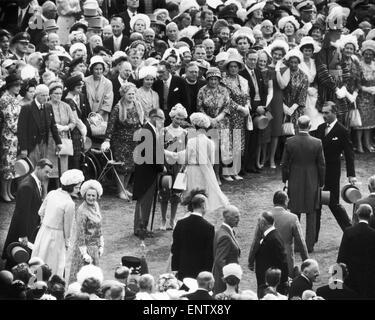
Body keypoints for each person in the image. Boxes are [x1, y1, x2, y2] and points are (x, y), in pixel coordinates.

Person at [281, 115, 325, 252]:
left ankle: (296, 245)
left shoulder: (290, 141)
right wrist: (322, 182)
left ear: (297, 125)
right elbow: (322, 165)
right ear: (310, 126)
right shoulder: (317, 142)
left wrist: (285, 179)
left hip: (295, 180)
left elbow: (284, 164)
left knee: (294, 214)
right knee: (311, 214)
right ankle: (309, 245)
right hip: (312, 180)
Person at [314, 101, 356, 242]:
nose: (324, 115)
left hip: (332, 173)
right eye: (323, 112)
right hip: (318, 174)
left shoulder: (342, 130)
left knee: (334, 204)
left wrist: (351, 175)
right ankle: (312, 239)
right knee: (317, 206)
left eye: (327, 113)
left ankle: (350, 233)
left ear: (334, 112)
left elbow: (349, 154)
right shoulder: (319, 128)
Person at [31, 169, 85, 278]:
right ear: (71, 186)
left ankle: (34, 282)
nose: (79, 190)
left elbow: (41, 212)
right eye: (77, 187)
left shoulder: (52, 193)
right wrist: (66, 243)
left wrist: (46, 223)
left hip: (44, 232)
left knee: (40, 258)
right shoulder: (69, 203)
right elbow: (67, 227)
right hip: (57, 237)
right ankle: (51, 285)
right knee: (54, 263)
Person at [2, 159, 53, 270]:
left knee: (20, 260)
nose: (48, 175)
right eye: (46, 172)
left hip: (30, 227)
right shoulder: (27, 186)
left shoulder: (35, 182)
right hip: (22, 231)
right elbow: (22, 212)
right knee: (16, 259)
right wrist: (23, 234)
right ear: (38, 168)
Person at [249, 190, 308, 278]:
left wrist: (251, 261)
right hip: (286, 259)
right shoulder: (293, 218)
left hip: (267, 259)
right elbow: (301, 243)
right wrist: (307, 262)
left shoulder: (263, 217)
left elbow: (256, 240)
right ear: (285, 202)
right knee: (285, 286)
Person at [101, 82, 144, 200]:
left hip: (134, 140)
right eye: (129, 94)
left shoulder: (138, 105)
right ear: (124, 94)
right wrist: (107, 139)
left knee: (131, 165)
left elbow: (142, 121)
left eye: (133, 93)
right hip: (120, 141)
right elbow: (111, 125)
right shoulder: (118, 107)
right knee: (121, 166)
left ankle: (125, 188)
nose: (131, 96)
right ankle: (120, 191)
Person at [183, 112, 229, 212]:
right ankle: (201, 211)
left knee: (193, 192)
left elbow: (186, 159)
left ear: (194, 126)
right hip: (204, 171)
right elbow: (212, 162)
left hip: (193, 170)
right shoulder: (210, 143)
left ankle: (193, 212)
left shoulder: (191, 141)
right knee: (202, 193)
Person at [132, 108, 165, 238]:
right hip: (147, 172)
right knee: (145, 201)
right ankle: (140, 228)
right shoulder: (148, 131)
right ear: (154, 117)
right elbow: (151, 155)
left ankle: (141, 227)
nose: (163, 121)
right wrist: (161, 167)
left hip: (146, 171)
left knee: (145, 201)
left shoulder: (149, 130)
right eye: (161, 118)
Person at [197, 67, 231, 184]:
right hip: (207, 123)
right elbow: (199, 107)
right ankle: (208, 175)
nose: (213, 82)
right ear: (207, 79)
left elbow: (227, 107)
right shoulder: (202, 90)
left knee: (219, 150)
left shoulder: (224, 90)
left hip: (221, 122)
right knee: (209, 149)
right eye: (211, 79)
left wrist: (217, 118)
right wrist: (209, 119)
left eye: (216, 79)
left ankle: (217, 174)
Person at [67, 180, 104, 284]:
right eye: (88, 195)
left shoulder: (96, 205)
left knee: (94, 278)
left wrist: (101, 244)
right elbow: (80, 233)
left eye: (93, 195)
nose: (91, 198)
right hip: (85, 249)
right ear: (84, 195)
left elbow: (99, 225)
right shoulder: (82, 211)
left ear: (97, 196)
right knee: (84, 278)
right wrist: (84, 253)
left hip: (95, 247)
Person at [171, 192, 215, 281]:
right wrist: (208, 272)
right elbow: (209, 253)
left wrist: (175, 268)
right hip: (200, 271)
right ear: (203, 205)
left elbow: (175, 248)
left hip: (182, 268)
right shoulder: (208, 227)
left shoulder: (180, 224)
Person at [17, 84, 62, 170]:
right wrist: (23, 148)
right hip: (32, 145)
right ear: (36, 95)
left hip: (44, 143)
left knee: (42, 168)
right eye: (43, 95)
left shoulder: (48, 106)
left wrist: (58, 142)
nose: (45, 98)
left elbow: (53, 125)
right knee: (32, 169)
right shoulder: (27, 108)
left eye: (47, 95)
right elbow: (21, 130)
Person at [221, 53, 250, 181]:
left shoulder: (243, 81)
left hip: (241, 116)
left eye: (235, 66)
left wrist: (247, 106)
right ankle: (226, 172)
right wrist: (239, 107)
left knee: (238, 143)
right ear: (227, 68)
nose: (233, 69)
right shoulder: (223, 81)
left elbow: (247, 96)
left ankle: (235, 170)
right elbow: (226, 99)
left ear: (239, 68)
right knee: (228, 142)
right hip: (228, 115)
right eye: (231, 66)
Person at [337, 204, 375, 299]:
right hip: (369, 274)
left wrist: (337, 277)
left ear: (357, 215)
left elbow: (341, 256)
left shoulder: (348, 232)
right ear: (370, 216)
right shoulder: (373, 234)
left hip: (351, 274)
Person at [160, 104, 188, 230]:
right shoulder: (164, 131)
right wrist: (170, 153)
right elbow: (159, 148)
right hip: (167, 165)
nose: (179, 121)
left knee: (176, 195)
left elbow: (188, 150)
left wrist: (184, 162)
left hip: (180, 166)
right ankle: (163, 220)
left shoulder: (185, 132)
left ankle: (172, 219)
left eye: (182, 119)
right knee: (165, 192)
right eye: (177, 118)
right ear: (172, 117)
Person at [249, 211, 289, 298]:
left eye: (258, 222)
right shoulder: (271, 236)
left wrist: (284, 281)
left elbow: (283, 261)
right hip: (266, 282)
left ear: (262, 223)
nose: (257, 225)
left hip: (270, 285)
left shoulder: (273, 238)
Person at [46, 81, 76, 183]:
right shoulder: (46, 106)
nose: (58, 96)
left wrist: (65, 127)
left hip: (63, 138)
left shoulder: (66, 106)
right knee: (49, 165)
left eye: (60, 93)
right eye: (56, 93)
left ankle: (61, 187)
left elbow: (73, 122)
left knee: (62, 166)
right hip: (49, 140)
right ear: (50, 94)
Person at [0, 74, 22, 202]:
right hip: (7, 136)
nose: (19, 88)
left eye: (19, 85)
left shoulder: (14, 98)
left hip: (15, 136)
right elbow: (9, 121)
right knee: (6, 165)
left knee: (12, 165)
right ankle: (4, 192)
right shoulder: (5, 99)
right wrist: (20, 130)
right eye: (16, 85)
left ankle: (8, 191)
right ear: (10, 86)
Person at [267, 39, 289, 169]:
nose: (277, 56)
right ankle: (263, 158)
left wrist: (277, 69)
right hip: (267, 102)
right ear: (272, 53)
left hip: (277, 102)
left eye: (280, 55)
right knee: (266, 127)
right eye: (275, 54)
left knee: (275, 130)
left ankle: (271, 159)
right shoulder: (264, 67)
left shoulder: (285, 69)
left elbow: (282, 85)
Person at [64, 74, 91, 170]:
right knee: (75, 159)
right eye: (78, 88)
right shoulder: (69, 101)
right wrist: (84, 130)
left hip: (76, 132)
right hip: (74, 132)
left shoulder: (73, 99)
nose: (80, 90)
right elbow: (75, 119)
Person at [212, 205, 241, 295]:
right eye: (236, 217)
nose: (238, 219)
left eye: (239, 217)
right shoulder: (225, 236)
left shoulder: (222, 231)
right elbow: (220, 260)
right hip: (225, 283)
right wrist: (228, 280)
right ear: (227, 217)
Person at [299, 36, 324, 131]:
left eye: (310, 51)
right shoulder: (299, 63)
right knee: (307, 117)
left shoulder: (314, 62)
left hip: (314, 93)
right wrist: (306, 88)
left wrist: (315, 88)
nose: (308, 53)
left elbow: (318, 77)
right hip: (303, 93)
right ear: (302, 51)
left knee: (317, 117)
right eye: (306, 50)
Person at [152, 60, 189, 125]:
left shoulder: (180, 81)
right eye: (158, 72)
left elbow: (186, 101)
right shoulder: (156, 84)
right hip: (161, 118)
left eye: (162, 72)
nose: (160, 74)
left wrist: (184, 118)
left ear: (169, 70)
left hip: (176, 118)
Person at [356, 40, 375, 153]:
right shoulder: (359, 65)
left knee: (370, 121)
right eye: (366, 54)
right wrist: (365, 89)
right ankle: (359, 144)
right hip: (361, 96)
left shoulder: (374, 64)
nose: (368, 56)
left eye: (371, 54)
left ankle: (367, 143)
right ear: (363, 54)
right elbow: (356, 82)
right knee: (360, 121)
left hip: (372, 96)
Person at [84, 55, 113, 122]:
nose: (99, 71)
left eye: (100, 69)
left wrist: (97, 117)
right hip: (87, 116)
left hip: (101, 117)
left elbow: (107, 103)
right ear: (92, 69)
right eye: (96, 69)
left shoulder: (108, 83)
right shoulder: (85, 81)